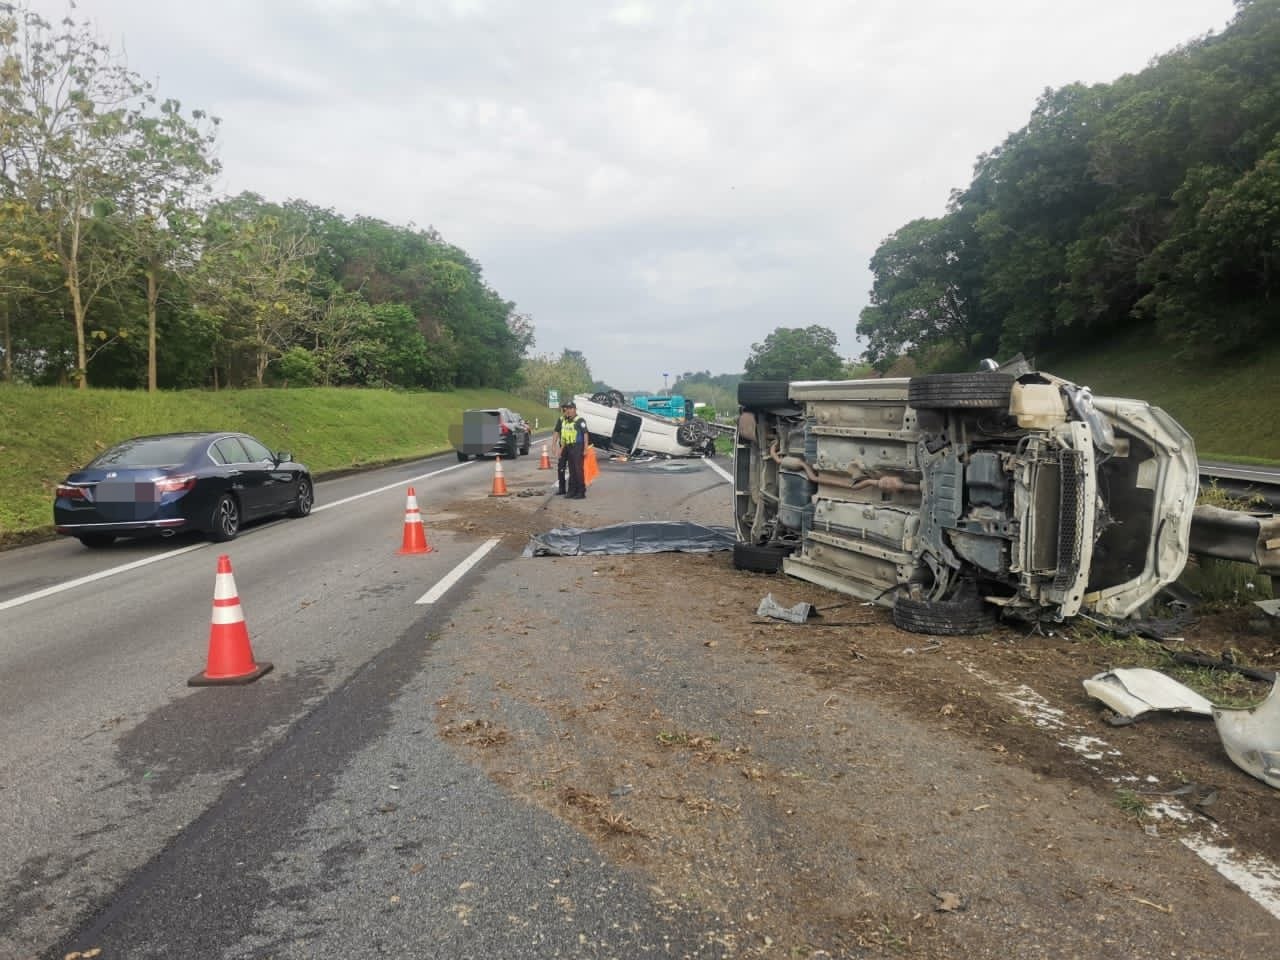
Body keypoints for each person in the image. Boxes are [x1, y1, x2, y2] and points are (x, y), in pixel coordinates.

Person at [559, 399, 588, 499]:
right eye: (567, 409)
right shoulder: (566, 421)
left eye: (571, 408)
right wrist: (561, 449)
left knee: (578, 470)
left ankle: (581, 491)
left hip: (578, 446)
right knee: (571, 470)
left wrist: (585, 448)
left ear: (575, 409)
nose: (569, 410)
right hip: (569, 446)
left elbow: (585, 434)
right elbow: (564, 437)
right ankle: (572, 490)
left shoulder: (580, 420)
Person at [552, 402, 571, 495]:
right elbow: (556, 432)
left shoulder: (576, 419)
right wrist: (553, 445)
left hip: (573, 447)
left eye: (566, 409)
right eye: (563, 410)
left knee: (573, 468)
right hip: (563, 447)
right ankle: (561, 488)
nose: (565, 411)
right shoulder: (561, 420)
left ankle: (572, 489)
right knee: (561, 468)